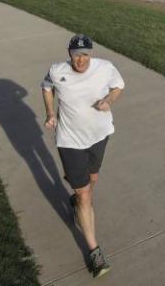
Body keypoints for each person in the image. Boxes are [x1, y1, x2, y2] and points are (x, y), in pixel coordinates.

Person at [42, 34, 124, 278]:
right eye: (77, 54)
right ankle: (95, 252)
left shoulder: (105, 67)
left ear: (91, 53)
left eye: (85, 54)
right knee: (85, 193)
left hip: (100, 136)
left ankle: (78, 202)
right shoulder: (57, 71)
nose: (81, 59)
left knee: (93, 180)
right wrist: (50, 112)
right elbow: (46, 87)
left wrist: (109, 100)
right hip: (70, 142)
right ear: (69, 54)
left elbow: (118, 86)